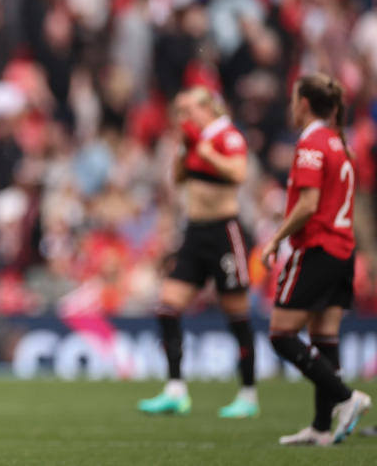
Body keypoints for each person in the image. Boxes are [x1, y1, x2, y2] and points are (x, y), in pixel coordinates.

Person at [261, 74, 371, 446]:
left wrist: (275, 238)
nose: (292, 106)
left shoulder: (311, 143)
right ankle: (322, 427)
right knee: (324, 337)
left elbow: (308, 205)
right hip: (343, 250)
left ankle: (345, 397)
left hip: (318, 247)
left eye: (294, 99)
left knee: (281, 333)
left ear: (304, 103)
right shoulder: (339, 142)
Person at [139, 87, 259, 418]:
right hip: (195, 232)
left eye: (188, 110)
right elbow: (178, 180)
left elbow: (238, 173)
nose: (183, 117)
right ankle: (176, 389)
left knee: (236, 315)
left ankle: (248, 395)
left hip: (224, 231)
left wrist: (204, 152)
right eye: (179, 111)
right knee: (167, 307)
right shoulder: (192, 139)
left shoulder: (226, 135)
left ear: (209, 108)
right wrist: (183, 150)